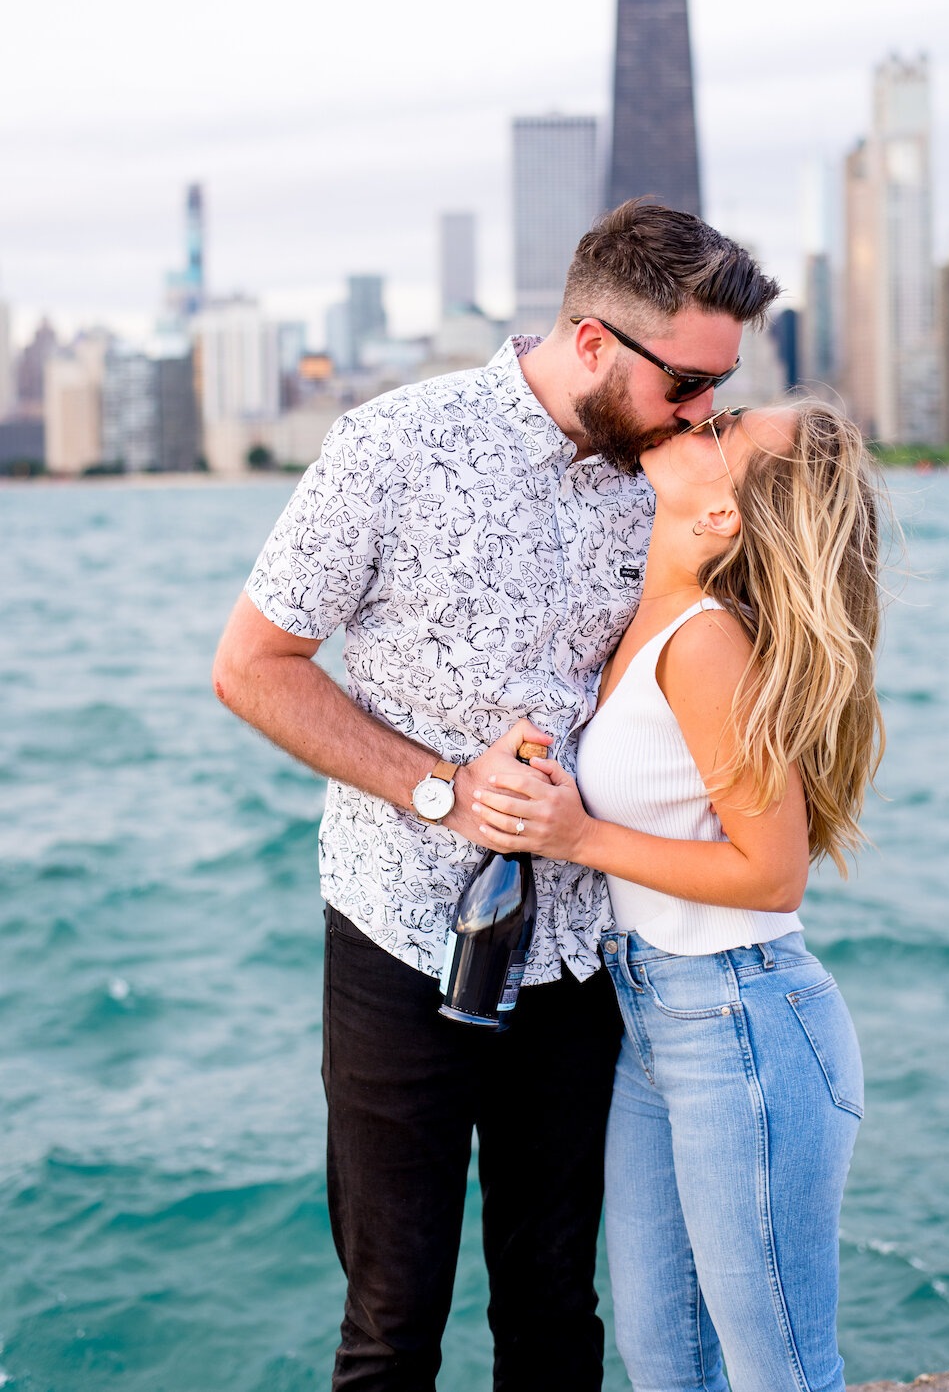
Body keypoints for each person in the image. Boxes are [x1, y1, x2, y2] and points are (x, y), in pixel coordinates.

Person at [211, 198, 781, 1392]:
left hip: (585, 950)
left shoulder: (675, 477)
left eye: (718, 389)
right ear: (590, 342)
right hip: (397, 939)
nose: (704, 416)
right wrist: (439, 789)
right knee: (391, 1321)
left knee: (554, 1313)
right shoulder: (391, 445)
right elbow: (250, 666)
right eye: (686, 383)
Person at [469, 399, 884, 1392]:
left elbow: (772, 870)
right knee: (665, 1363)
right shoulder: (645, 618)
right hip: (654, 1021)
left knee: (778, 1371)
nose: (700, 419)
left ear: (723, 516)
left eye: (723, 429)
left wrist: (579, 834)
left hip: (739, 1019)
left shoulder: (704, 645)